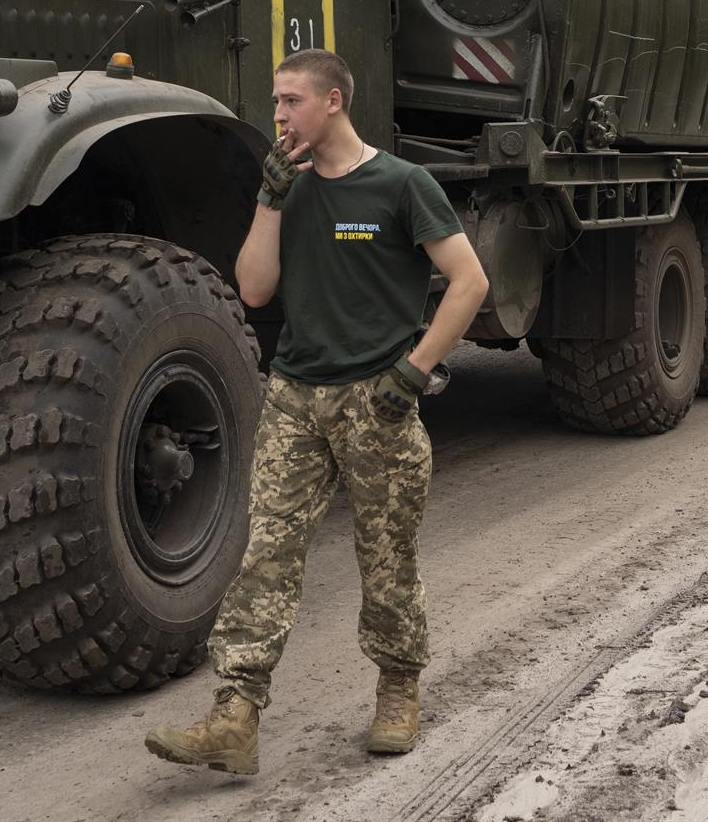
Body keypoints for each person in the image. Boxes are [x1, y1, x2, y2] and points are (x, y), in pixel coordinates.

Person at [146, 48, 489, 775]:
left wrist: (414, 371)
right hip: (296, 398)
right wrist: (269, 202)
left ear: (333, 101)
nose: (278, 115)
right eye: (275, 101)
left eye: (292, 100)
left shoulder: (402, 185)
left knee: (386, 556)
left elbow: (469, 282)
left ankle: (398, 689)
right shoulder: (287, 190)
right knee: (266, 555)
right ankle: (235, 716)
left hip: (379, 399)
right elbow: (255, 290)